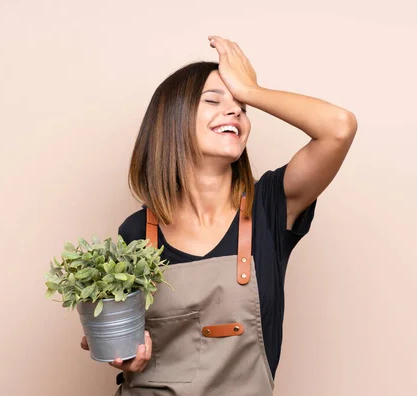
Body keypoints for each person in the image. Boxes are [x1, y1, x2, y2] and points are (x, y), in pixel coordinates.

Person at [80, 35, 357, 395]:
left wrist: (252, 90)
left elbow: (339, 127)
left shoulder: (272, 204)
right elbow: (126, 346)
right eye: (214, 100)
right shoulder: (136, 232)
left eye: (242, 107)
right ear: (172, 120)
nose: (235, 111)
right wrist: (123, 353)